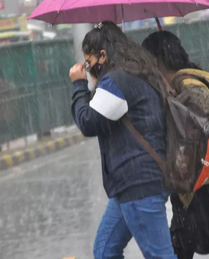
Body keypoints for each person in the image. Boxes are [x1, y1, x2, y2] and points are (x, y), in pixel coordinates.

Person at [69, 21, 177, 259]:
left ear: (103, 56)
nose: (88, 69)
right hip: (131, 184)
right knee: (105, 250)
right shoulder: (138, 72)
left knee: (160, 255)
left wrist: (78, 85)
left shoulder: (117, 80)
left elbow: (88, 122)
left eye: (89, 63)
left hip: (139, 182)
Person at [142, 30, 209, 259]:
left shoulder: (188, 85)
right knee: (180, 247)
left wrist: (192, 146)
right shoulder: (170, 86)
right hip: (190, 183)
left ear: (158, 59)